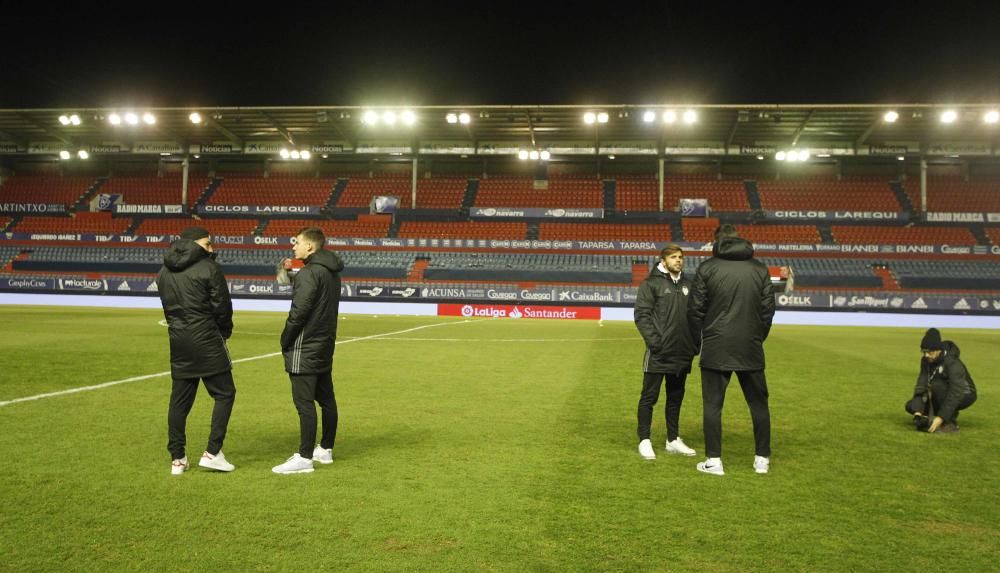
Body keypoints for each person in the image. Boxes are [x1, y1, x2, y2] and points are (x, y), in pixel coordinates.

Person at [687, 224, 775, 476]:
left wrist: (699, 340)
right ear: (740, 239)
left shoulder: (708, 268)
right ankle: (762, 459)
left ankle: (714, 461)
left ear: (716, 241)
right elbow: (768, 309)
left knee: (713, 405)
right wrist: (758, 337)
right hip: (750, 346)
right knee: (759, 404)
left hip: (716, 345)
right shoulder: (759, 268)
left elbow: (695, 310)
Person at [156, 226, 237, 475]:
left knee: (179, 401)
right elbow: (222, 306)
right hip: (207, 340)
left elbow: (168, 308)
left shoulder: (164, 271)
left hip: (179, 341)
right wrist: (223, 332)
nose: (212, 248)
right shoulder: (209, 268)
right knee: (225, 393)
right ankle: (212, 453)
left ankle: (177, 460)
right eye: (208, 244)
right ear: (194, 244)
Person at [272, 227, 345, 475]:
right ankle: (325, 449)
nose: (294, 247)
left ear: (310, 247)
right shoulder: (331, 273)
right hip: (324, 345)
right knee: (326, 400)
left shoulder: (309, 273)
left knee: (304, 403)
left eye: (298, 243)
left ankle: (304, 457)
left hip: (305, 347)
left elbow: (299, 312)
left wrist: (285, 339)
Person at [633, 244, 698, 460]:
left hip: (682, 352)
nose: (678, 260)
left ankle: (673, 439)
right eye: (673, 257)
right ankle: (644, 439)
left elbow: (696, 317)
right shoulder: (651, 284)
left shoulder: (689, 285)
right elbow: (642, 315)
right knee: (649, 397)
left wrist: (693, 344)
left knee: (675, 397)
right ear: (663, 261)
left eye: (680, 257)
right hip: (659, 352)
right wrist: (655, 343)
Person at [906, 328, 977, 433]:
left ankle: (949, 422)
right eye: (923, 352)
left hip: (965, 393)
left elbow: (956, 391)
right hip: (942, 391)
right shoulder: (926, 360)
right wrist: (918, 411)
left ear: (938, 349)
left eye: (929, 352)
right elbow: (922, 382)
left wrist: (941, 417)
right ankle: (931, 417)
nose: (926, 355)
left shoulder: (952, 362)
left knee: (936, 386)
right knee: (911, 405)